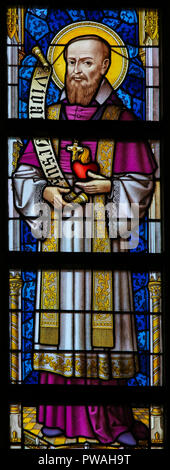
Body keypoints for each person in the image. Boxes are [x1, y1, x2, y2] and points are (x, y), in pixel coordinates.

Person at [13, 34, 157, 446]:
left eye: (87, 64)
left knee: (101, 328)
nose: (78, 71)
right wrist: (45, 192)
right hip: (58, 238)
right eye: (72, 62)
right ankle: (55, 415)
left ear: (105, 67)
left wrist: (106, 188)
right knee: (61, 325)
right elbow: (23, 175)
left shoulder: (122, 120)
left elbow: (141, 181)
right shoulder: (49, 117)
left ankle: (107, 422)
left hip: (103, 241)